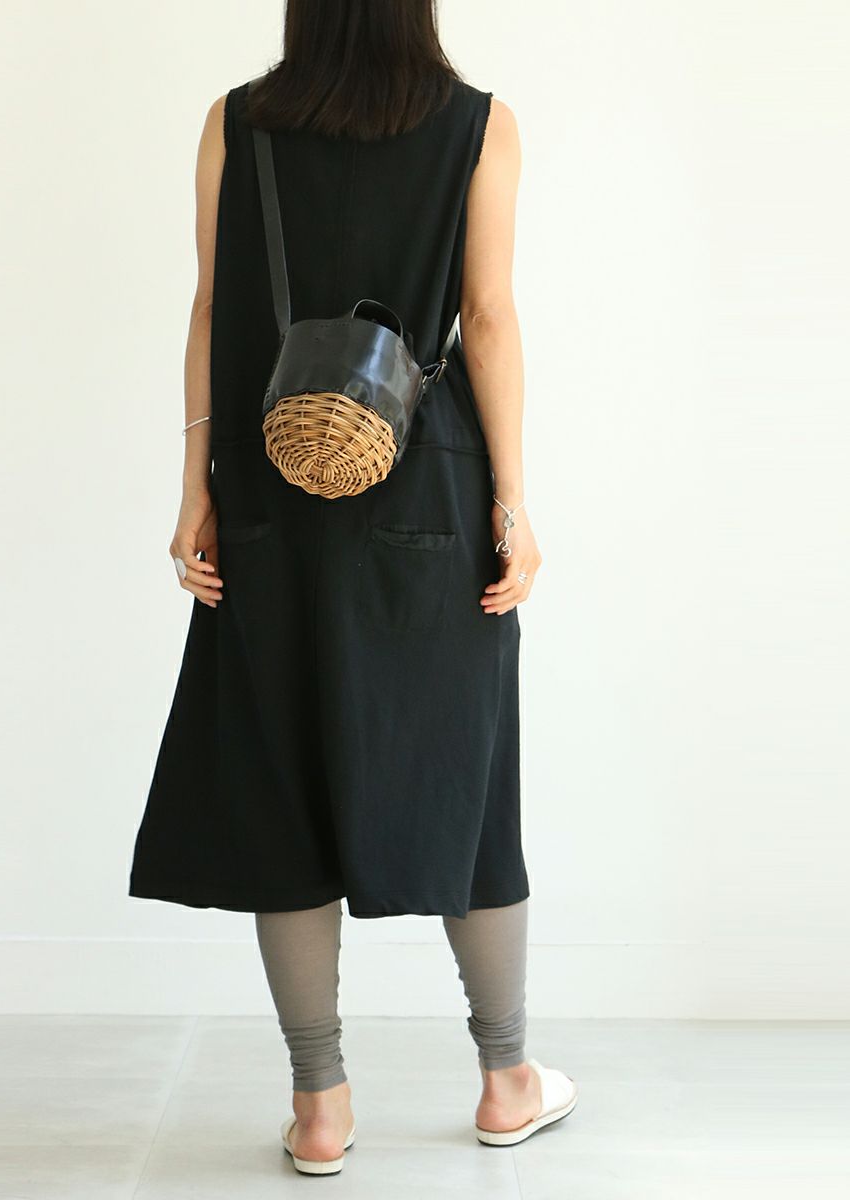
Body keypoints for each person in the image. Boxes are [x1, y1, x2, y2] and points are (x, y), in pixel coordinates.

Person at [129, 0, 576, 1177]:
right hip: (432, 497)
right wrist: (512, 504)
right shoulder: (479, 126)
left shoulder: (237, 124)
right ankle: (506, 1078)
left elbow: (215, 309)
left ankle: (320, 1105)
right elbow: (487, 319)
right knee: (466, 778)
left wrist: (195, 487)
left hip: (269, 490)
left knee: (284, 781)